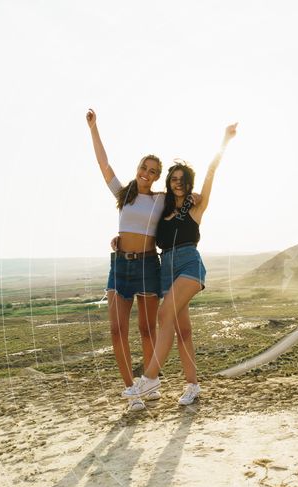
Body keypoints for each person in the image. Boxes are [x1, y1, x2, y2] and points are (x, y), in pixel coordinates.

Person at [86, 109, 199, 412]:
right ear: (137, 169)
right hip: (120, 265)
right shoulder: (123, 195)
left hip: (149, 264)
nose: (146, 174)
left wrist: (196, 191)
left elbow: (184, 195)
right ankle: (131, 391)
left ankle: (151, 383)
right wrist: (94, 128)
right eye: (143, 168)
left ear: (157, 177)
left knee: (148, 330)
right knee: (115, 330)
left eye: (152, 171)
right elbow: (103, 164)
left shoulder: (160, 199)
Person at [122, 123, 238, 405]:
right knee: (182, 330)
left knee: (164, 316)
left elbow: (211, 173)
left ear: (188, 182)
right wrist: (119, 239)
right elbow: (142, 228)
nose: (176, 181)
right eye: (173, 178)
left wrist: (225, 139)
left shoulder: (196, 207)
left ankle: (149, 379)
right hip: (166, 267)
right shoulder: (162, 209)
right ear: (168, 182)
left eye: (181, 178)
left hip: (189, 265)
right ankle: (192, 385)